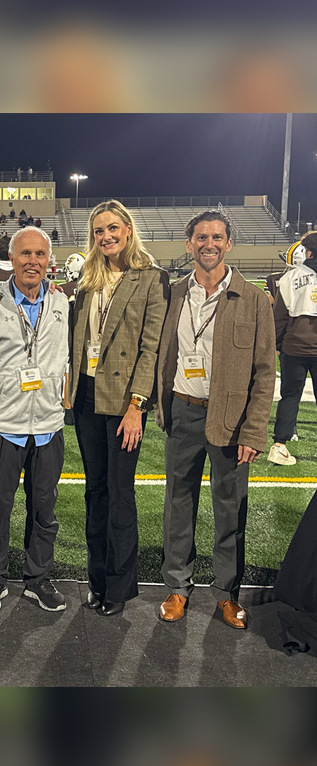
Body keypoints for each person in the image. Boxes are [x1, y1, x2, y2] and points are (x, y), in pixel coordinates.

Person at [156, 210, 275, 629]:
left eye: (217, 237)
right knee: (178, 505)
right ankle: (177, 586)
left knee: (230, 510)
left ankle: (227, 593)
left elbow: (265, 371)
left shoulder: (254, 299)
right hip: (182, 411)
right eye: (201, 237)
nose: (209, 244)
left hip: (232, 419)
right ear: (189, 244)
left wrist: (254, 431)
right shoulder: (172, 294)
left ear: (228, 243)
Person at [69, 200, 168, 617]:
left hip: (125, 401)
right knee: (95, 491)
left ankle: (119, 586)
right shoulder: (88, 279)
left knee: (120, 492)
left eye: (112, 228)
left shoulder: (152, 278)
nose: (106, 236)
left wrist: (136, 405)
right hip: (86, 397)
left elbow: (151, 347)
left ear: (128, 229)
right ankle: (96, 580)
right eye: (98, 231)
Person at [0, 227, 69, 614]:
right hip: (2, 428)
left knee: (44, 510)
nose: (33, 261)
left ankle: (37, 578)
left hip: (48, 427)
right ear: (11, 258)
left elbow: (68, 356)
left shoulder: (61, 303)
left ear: (49, 260)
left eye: (40, 254)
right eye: (25, 253)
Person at [268, 233, 317, 466]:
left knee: (290, 395)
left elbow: (279, 316)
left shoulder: (290, 277)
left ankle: (279, 445)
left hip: (294, 346)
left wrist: (277, 345)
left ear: (308, 252)